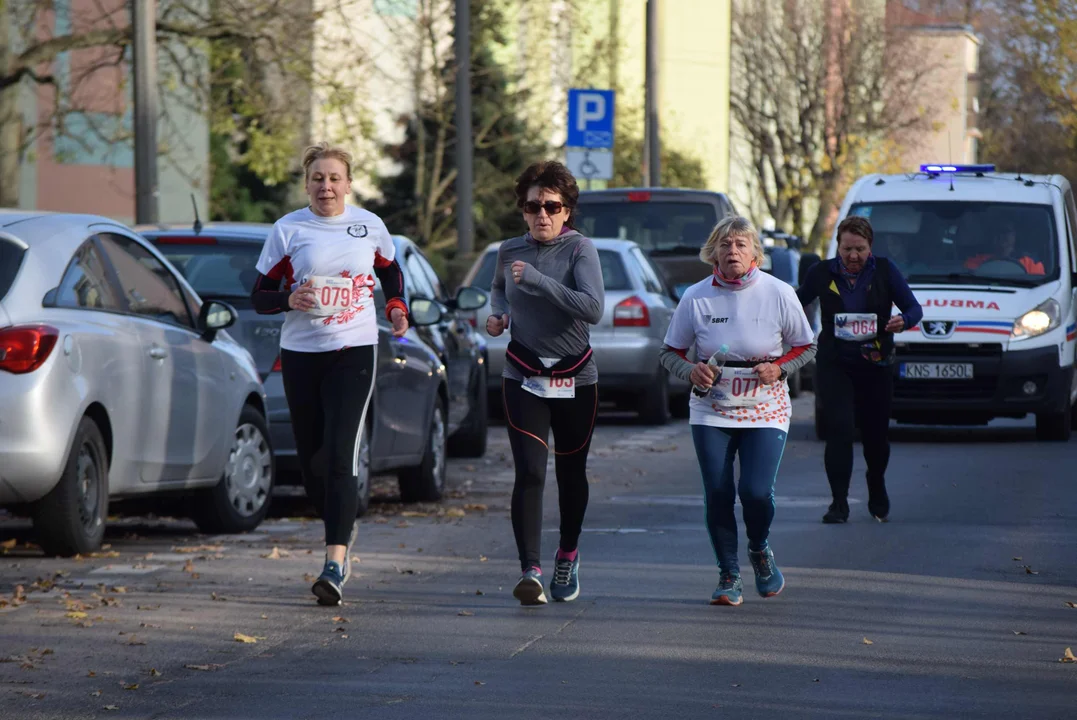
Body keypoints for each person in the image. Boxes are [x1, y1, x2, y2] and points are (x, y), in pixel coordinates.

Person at [251, 142, 409, 606]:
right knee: (313, 463)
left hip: (354, 349)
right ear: (307, 184)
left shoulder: (368, 226)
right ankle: (338, 521)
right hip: (301, 352)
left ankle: (334, 562)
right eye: (317, 178)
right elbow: (259, 295)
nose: (326, 186)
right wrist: (287, 300)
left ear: (348, 183)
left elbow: (391, 272)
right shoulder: (288, 230)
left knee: (341, 454)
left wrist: (397, 307)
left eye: (334, 178)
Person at [659, 216, 817, 606]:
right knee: (718, 491)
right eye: (725, 245)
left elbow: (806, 346)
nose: (733, 252)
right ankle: (728, 574)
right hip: (712, 408)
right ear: (713, 252)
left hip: (765, 407)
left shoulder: (779, 292)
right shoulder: (696, 296)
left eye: (741, 245)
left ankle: (759, 549)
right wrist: (691, 370)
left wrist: (780, 367)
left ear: (755, 254)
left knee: (756, 492)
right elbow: (670, 353)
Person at [487, 160, 604, 606]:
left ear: (566, 210)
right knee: (531, 471)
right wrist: (498, 316)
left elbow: (592, 308)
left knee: (571, 473)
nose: (542, 215)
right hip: (524, 372)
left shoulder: (580, 251)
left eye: (552, 206)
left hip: (575, 375)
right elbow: (499, 288)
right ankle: (530, 570)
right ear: (523, 209)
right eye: (533, 206)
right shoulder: (508, 250)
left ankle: (567, 555)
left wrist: (536, 281)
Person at [796, 215, 923, 524]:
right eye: (847, 249)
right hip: (835, 363)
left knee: (875, 435)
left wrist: (903, 321)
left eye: (860, 249)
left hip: (875, 363)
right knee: (838, 429)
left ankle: (876, 484)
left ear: (871, 248)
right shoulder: (822, 272)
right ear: (838, 246)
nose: (853, 256)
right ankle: (838, 502)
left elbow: (913, 308)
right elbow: (795, 302)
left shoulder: (885, 271)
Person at [964, 222, 1045, 275]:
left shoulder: (1030, 263)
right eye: (997, 231)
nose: (1001, 235)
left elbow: (1039, 287)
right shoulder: (975, 261)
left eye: (1006, 231)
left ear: (1015, 235)